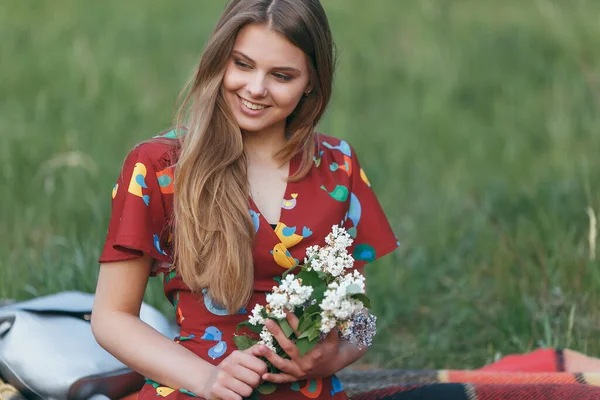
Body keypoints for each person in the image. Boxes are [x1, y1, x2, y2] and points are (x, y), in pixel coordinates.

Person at [91, 1, 398, 399]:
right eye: (242, 64)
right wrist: (207, 379)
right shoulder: (161, 167)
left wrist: (332, 357)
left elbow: (362, 319)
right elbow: (111, 318)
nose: (255, 89)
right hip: (195, 389)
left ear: (311, 82)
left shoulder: (338, 167)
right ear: (220, 59)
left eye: (282, 75)